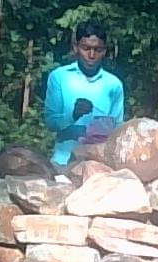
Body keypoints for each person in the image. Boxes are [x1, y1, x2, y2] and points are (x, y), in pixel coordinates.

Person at [43, 20, 124, 167]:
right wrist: (72, 116)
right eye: (86, 48)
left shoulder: (114, 85)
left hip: (99, 165)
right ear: (76, 47)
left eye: (97, 49)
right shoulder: (59, 77)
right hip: (62, 163)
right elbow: (50, 122)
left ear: (104, 51)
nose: (91, 55)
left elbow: (117, 131)